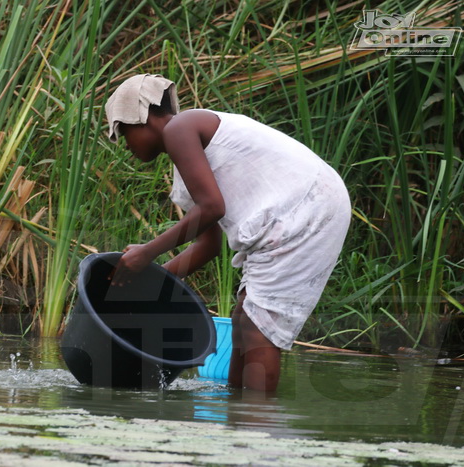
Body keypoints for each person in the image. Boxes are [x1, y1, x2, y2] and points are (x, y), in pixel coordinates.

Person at [105, 74, 351, 391]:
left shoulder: (180, 128)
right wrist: (153, 280)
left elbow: (212, 208)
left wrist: (146, 252)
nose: (125, 144)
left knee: (256, 329)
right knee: (244, 321)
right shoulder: (187, 161)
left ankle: (257, 421)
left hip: (303, 209)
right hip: (302, 208)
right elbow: (209, 245)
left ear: (145, 117)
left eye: (124, 132)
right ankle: (240, 413)